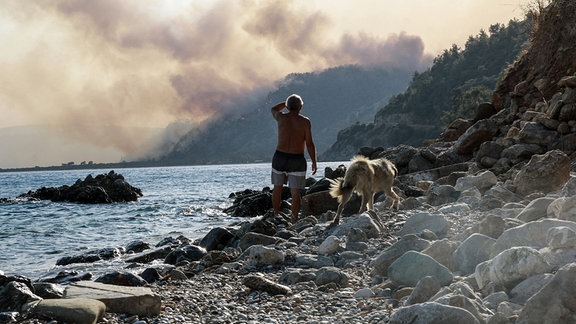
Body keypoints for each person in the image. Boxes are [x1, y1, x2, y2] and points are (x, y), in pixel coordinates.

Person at [271, 94, 317, 223]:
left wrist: (285, 103)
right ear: (300, 107)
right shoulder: (305, 122)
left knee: (277, 189)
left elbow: (273, 109)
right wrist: (314, 161)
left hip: (280, 156)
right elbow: (309, 143)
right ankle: (294, 220)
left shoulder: (281, 117)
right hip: (297, 159)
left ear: (287, 106)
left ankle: (276, 215)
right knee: (295, 193)